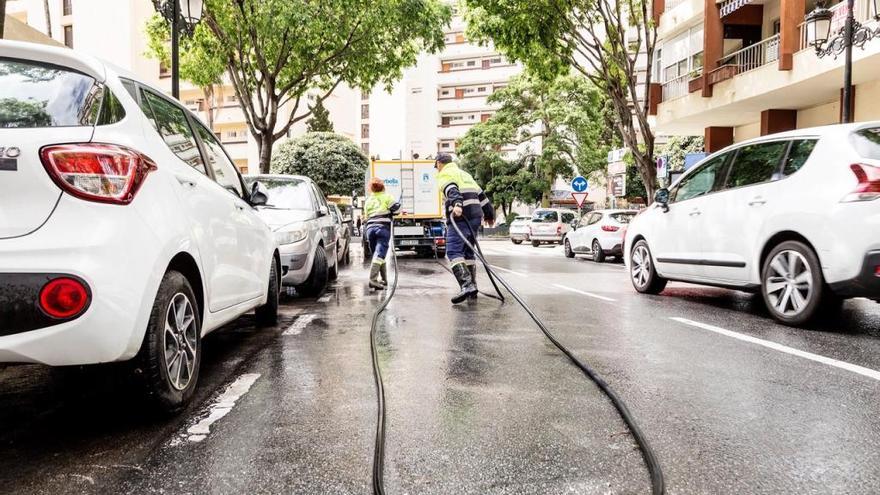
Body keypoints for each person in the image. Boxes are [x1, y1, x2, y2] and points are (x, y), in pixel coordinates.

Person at [435, 153, 495, 304]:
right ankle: (472, 289)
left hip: (460, 216)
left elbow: (451, 190)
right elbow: (482, 195)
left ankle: (467, 285)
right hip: (475, 215)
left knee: (454, 251)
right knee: (468, 251)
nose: (436, 169)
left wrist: (457, 204)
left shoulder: (445, 174)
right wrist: (489, 214)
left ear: (439, 163)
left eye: (436, 166)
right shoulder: (465, 174)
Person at [363, 177, 401, 290]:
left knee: (378, 254)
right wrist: (394, 210)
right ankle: (372, 280)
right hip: (382, 228)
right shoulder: (387, 197)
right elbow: (397, 211)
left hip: (370, 229)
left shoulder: (368, 200)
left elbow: (366, 217)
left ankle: (384, 280)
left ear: (371, 189)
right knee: (379, 254)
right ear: (383, 187)